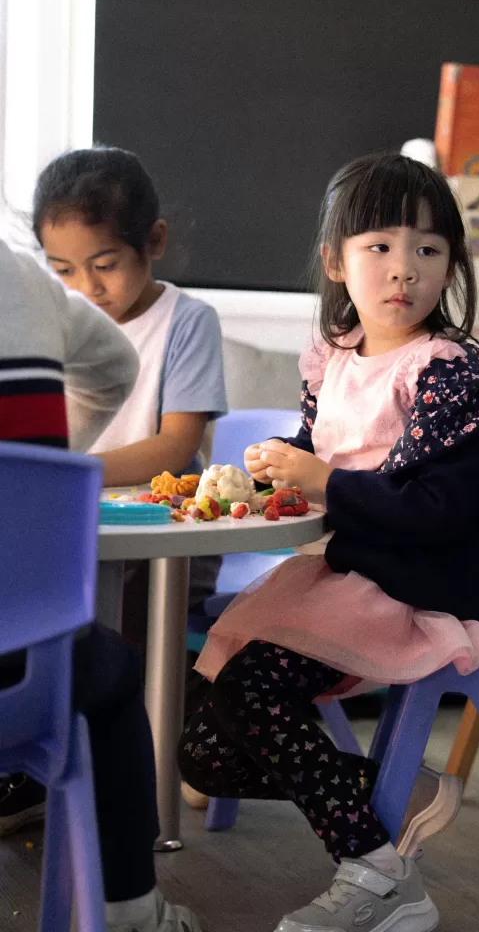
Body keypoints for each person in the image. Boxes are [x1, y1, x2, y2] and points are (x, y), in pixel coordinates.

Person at [178, 153, 479, 932]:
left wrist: (320, 479)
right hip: (353, 569)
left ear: (451, 265)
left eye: (427, 249)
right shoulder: (338, 357)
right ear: (335, 261)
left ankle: (379, 875)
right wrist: (274, 467)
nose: (403, 269)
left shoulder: (451, 377)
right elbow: (325, 452)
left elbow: (436, 510)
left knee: (251, 690)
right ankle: (396, 792)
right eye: (379, 246)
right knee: (201, 746)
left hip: (419, 581)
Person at [0, 239, 201, 931]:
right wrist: (34, 465)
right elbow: (114, 368)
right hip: (23, 684)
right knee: (110, 670)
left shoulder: (188, 317)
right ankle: (130, 912)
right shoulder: (20, 273)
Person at [33, 146, 228, 645]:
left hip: (164, 540)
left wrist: (72, 478)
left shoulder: (186, 321)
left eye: (104, 264)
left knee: (113, 644)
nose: (85, 289)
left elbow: (175, 448)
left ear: (154, 240)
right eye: (63, 270)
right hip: (81, 527)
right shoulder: (50, 324)